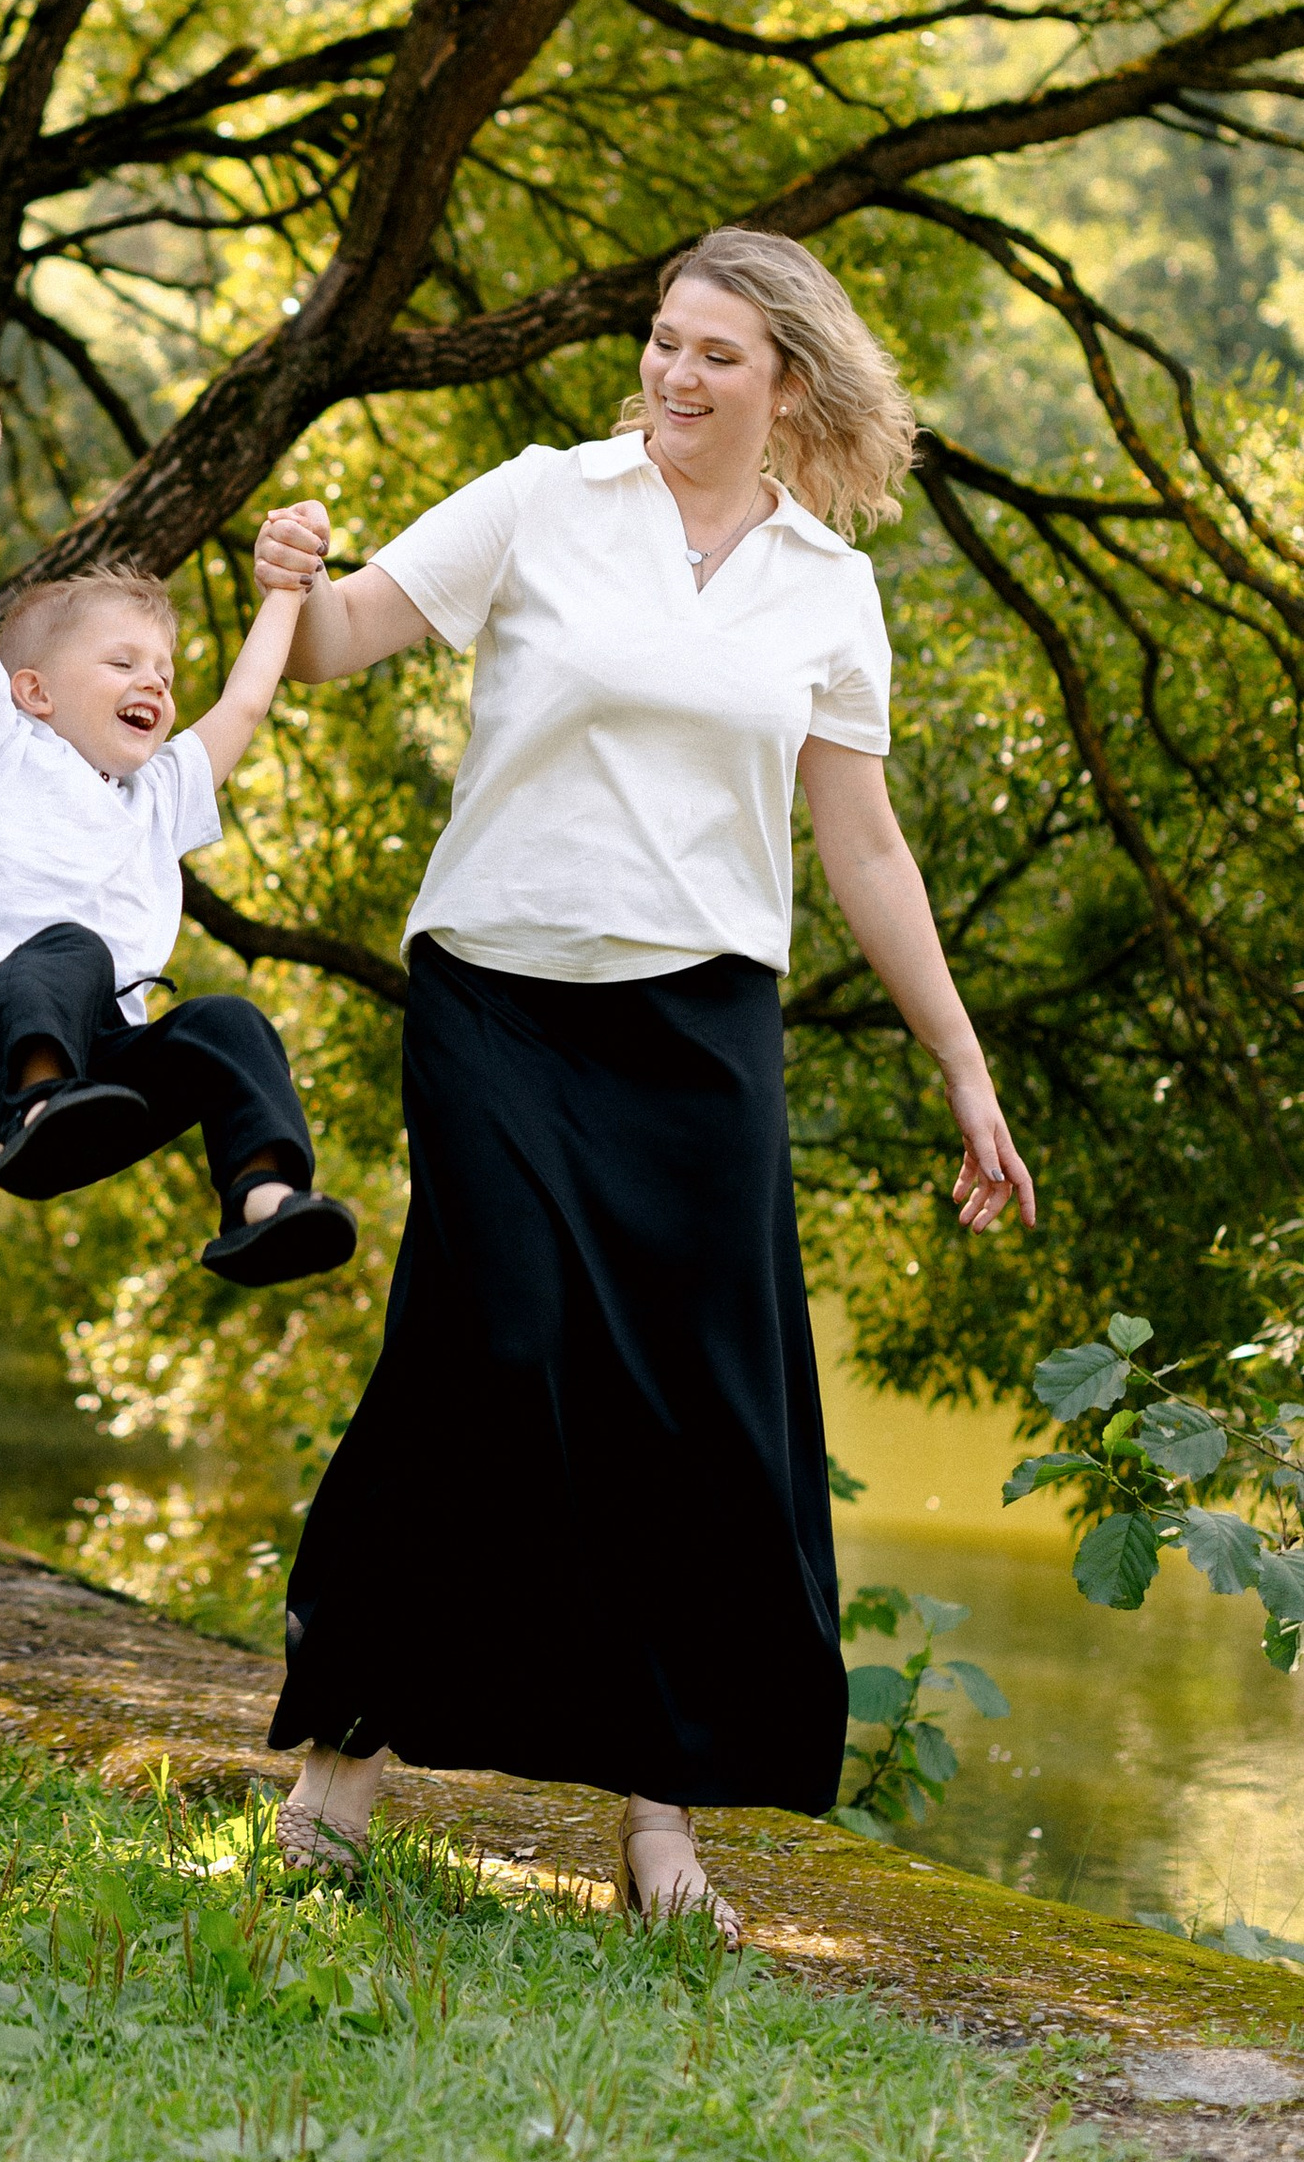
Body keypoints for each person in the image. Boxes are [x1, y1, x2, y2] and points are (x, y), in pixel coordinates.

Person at [250, 227, 1034, 1937]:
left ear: (790, 386)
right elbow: (339, 642)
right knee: (494, 1346)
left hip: (700, 1031)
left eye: (717, 355)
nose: (677, 375)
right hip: (500, 997)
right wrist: (291, 571)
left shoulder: (830, 584)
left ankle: (661, 1817)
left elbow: (866, 841)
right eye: (665, 341)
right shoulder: (546, 494)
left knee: (690, 1405)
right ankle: (348, 1757)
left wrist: (963, 1065)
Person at [0, 415, 355, 1287]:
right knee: (71, 947)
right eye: (122, 662)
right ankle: (37, 1097)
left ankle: (265, 1202)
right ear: (31, 690)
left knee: (229, 1022)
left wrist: (288, 590)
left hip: (105, 1080)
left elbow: (247, 705)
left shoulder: (159, 799)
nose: (154, 681)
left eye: (165, 673)